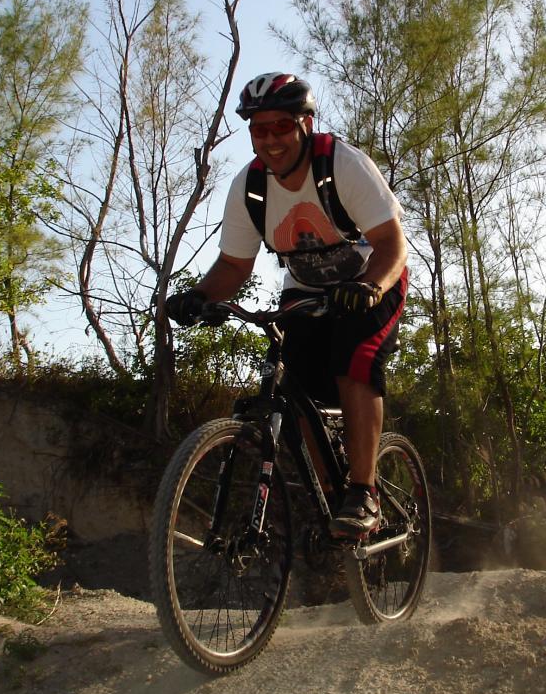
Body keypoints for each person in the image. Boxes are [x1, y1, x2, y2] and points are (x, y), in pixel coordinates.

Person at [165, 72, 408, 538]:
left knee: (353, 360)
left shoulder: (342, 165)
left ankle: (363, 492)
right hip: (306, 291)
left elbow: (391, 243)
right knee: (291, 387)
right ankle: (335, 496)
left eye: (281, 126)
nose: (271, 139)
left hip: (373, 276)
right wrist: (199, 296)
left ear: (305, 124)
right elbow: (234, 266)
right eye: (260, 129)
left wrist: (371, 287)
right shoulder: (251, 187)